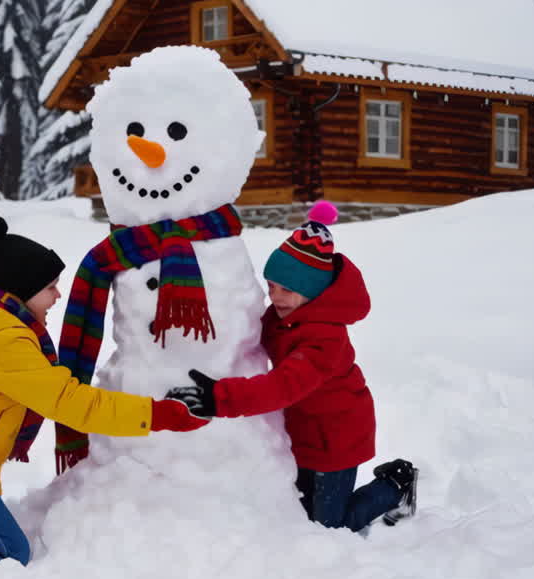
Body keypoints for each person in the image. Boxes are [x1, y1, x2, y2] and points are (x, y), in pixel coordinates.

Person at [0, 213, 209, 565]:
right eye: (50, 287)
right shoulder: (4, 343)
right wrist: (155, 413)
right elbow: (67, 401)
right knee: (9, 552)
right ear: (22, 290)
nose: (58, 294)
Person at [166, 201, 417, 533]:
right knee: (302, 511)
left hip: (337, 437)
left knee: (330, 525)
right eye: (271, 287)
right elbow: (249, 333)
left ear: (312, 291)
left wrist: (219, 398)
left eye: (286, 289)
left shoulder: (324, 339)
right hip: (304, 431)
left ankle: (396, 487)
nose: (276, 296)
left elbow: (283, 386)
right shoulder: (283, 316)